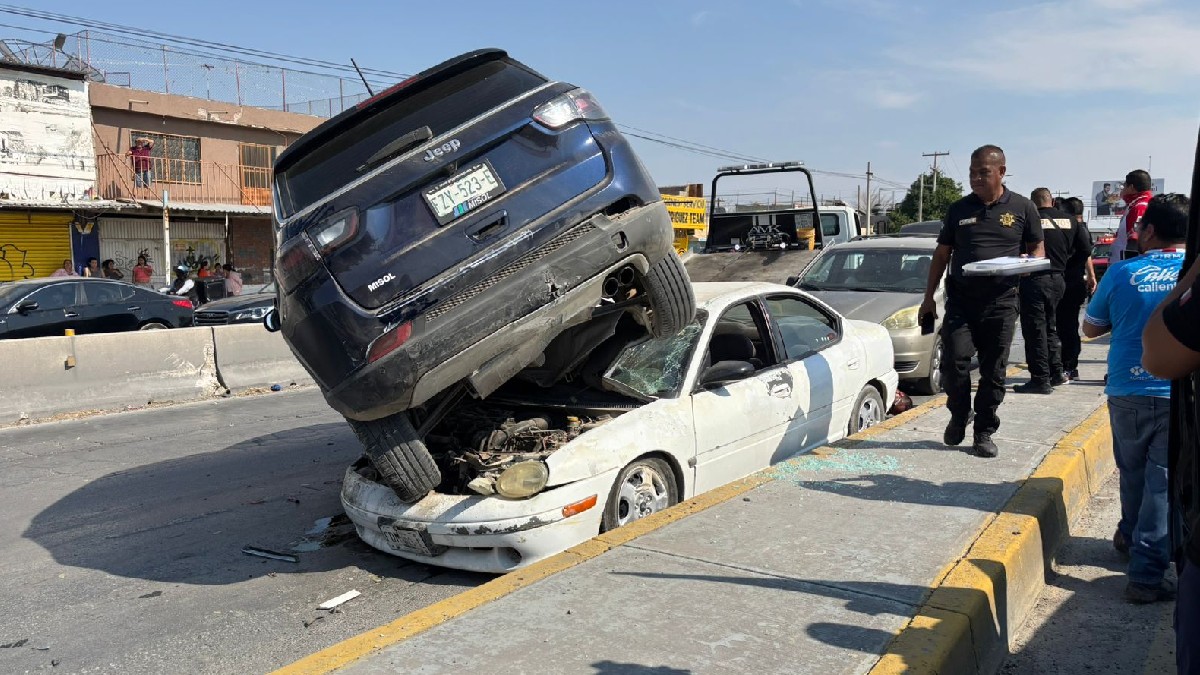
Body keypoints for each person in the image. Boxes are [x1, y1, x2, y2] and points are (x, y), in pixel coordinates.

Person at [1083, 193, 1188, 604]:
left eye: (1140, 227)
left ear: (1150, 231)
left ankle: (1132, 542)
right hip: (1175, 390)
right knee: (1161, 482)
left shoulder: (1122, 272)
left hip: (1127, 387)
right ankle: (1146, 573)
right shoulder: (1191, 273)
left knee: (1132, 471)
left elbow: (1091, 328)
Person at [919, 145, 1044, 458]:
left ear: (1001, 172)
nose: (975, 178)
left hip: (1001, 302)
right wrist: (928, 299)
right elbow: (942, 254)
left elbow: (1038, 250)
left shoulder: (1023, 207)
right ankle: (960, 413)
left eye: (983, 173)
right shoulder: (959, 209)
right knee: (953, 364)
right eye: (972, 172)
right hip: (961, 300)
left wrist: (1028, 263)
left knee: (993, 371)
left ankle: (984, 431)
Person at [1014, 188, 1081, 393]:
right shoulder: (1070, 220)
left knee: (1035, 330)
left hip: (1034, 279)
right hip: (1059, 279)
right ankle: (1056, 372)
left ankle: (1040, 379)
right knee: (1051, 327)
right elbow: (1085, 249)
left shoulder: (1028, 220)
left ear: (1033, 204)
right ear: (1052, 201)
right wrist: (1066, 266)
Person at [1057, 196, 1096, 381]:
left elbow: (1085, 253)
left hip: (1069, 282)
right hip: (1075, 282)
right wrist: (1091, 276)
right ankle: (1068, 366)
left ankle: (1069, 366)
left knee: (1066, 328)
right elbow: (1087, 254)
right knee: (1067, 326)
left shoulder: (1074, 228)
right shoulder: (1082, 228)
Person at [1112, 170, 1154, 263]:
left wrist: (1130, 268)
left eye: (1124, 187)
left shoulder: (1140, 207)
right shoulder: (1135, 205)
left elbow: (1135, 240)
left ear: (1131, 187)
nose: (1122, 191)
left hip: (1128, 268)